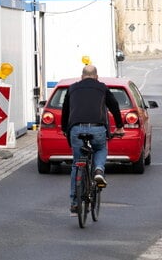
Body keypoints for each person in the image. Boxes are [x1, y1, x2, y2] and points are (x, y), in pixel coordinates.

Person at [61, 65, 124, 214]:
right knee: (100, 148)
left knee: (77, 164)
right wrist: (120, 126)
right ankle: (98, 170)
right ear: (97, 76)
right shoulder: (102, 88)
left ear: (81, 76)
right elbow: (114, 105)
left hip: (76, 129)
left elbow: (65, 110)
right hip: (98, 128)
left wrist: (64, 129)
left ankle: (75, 202)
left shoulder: (72, 88)